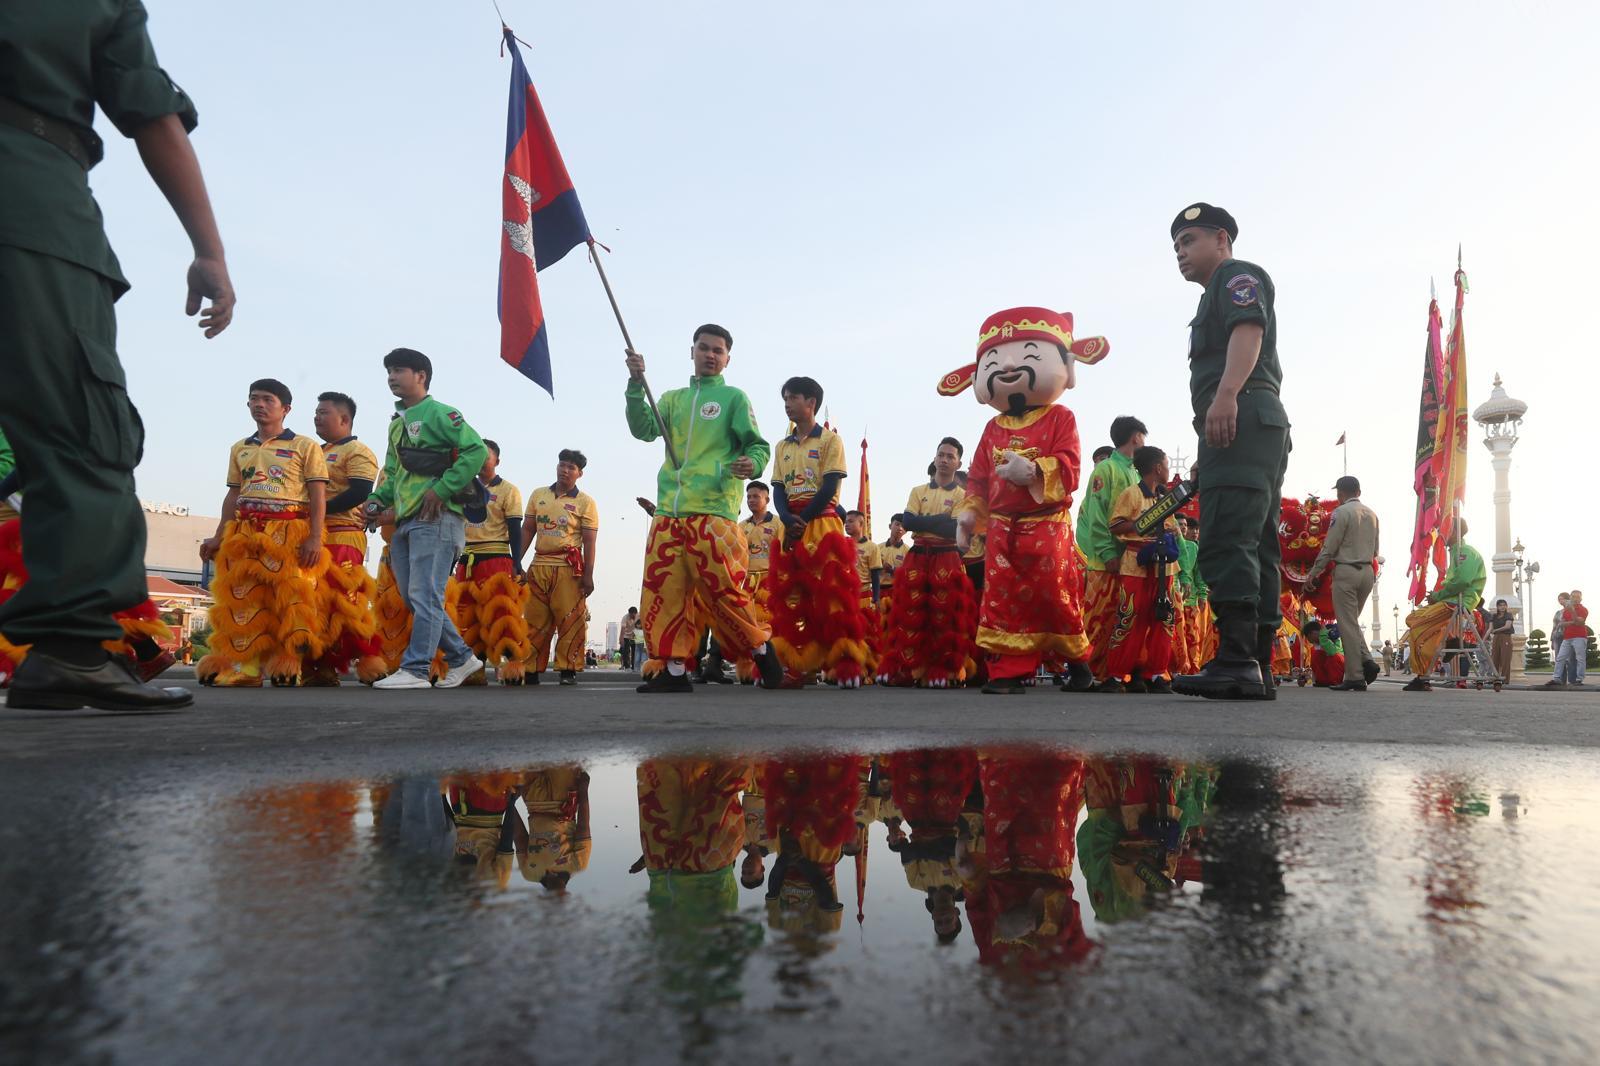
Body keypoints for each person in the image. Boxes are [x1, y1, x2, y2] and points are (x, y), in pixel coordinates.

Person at [1, 2, 235, 711]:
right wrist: (210, 251)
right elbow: (151, 115)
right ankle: (71, 646)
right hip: (28, 195)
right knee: (80, 422)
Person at [945, 305, 1108, 694]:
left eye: (1031, 355)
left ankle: (1077, 661)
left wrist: (1035, 473)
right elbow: (979, 480)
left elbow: (1070, 467)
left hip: (1046, 523)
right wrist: (968, 517)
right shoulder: (992, 426)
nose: (1008, 367)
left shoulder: (1060, 418)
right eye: (995, 360)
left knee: (1054, 595)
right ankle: (1011, 671)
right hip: (1002, 527)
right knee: (1003, 601)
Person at [1168, 203, 1292, 701]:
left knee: (1225, 534)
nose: (1180, 252)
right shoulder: (1211, 295)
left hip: (1241, 411)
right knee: (1256, 539)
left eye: (1188, 240)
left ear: (1221, 238)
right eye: (1176, 246)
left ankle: (1238, 660)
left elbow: (1249, 330)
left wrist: (1225, 396)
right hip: (1249, 422)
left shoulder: (1235, 276)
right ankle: (1256, 664)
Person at [624, 324, 784, 692]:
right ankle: (675, 671)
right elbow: (643, 429)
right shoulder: (671, 398)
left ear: (728, 358)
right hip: (669, 512)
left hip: (714, 512)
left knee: (724, 590)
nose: (710, 355)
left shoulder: (734, 398)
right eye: (704, 348)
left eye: (718, 350)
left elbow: (758, 446)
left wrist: (752, 464)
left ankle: (760, 648)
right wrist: (635, 385)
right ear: (692, 351)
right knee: (666, 591)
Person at [364, 348, 486, 690]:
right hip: (405, 521)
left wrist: (443, 489)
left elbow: (475, 450)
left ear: (421, 376)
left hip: (437, 519)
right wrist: (376, 500)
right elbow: (393, 472)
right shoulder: (396, 424)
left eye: (399, 370)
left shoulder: (441, 413)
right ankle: (463, 659)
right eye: (388, 370)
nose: (391, 376)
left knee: (424, 595)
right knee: (415, 597)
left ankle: (416, 670)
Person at [197, 380, 329, 687]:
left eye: (267, 399)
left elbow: (318, 495)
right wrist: (218, 536)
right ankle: (249, 669)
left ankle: (288, 665)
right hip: (244, 532)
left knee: (290, 600)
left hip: (289, 532)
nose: (259, 404)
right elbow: (233, 496)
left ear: (286, 409)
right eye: (253, 399)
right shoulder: (240, 448)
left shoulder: (305, 446)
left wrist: (314, 537)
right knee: (244, 600)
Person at [768, 377, 876, 687]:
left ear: (811, 402)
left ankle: (845, 665)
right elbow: (777, 487)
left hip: (823, 523)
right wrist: (788, 517)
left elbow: (830, 485)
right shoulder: (782, 445)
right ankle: (797, 666)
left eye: (793, 398)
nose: (787, 404)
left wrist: (804, 517)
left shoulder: (830, 441)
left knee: (833, 597)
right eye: (785, 398)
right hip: (791, 526)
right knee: (792, 598)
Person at [878, 438, 978, 688]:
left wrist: (925, 521)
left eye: (950, 456)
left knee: (945, 613)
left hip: (946, 554)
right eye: (941, 455)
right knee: (910, 611)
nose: (944, 460)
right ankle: (908, 669)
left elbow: (953, 527)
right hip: (919, 553)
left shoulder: (962, 494)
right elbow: (908, 522)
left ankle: (944, 670)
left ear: (958, 463)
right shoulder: (917, 490)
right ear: (934, 458)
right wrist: (938, 519)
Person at [305, 391, 386, 686]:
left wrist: (318, 510)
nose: (316, 416)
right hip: (314, 535)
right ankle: (317, 664)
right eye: (315, 411)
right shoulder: (314, 450)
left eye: (323, 412)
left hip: (343, 535)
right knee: (313, 604)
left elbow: (360, 492)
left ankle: (369, 662)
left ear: (344, 419)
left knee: (344, 603)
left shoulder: (358, 451)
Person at [1101, 446, 1181, 693]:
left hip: (1164, 567)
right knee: (1129, 617)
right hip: (1136, 562)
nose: (1169, 469)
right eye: (1166, 465)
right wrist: (1146, 525)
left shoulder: (1165, 497)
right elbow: (1115, 526)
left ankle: (1157, 674)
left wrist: (1167, 532)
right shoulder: (1131, 494)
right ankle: (1115, 676)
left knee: (1164, 617)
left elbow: (1174, 528)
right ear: (1158, 468)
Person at [452, 440, 531, 685]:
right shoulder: (460, 487)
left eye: (486, 456)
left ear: (497, 460)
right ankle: (473, 670)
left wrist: (517, 562)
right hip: (467, 559)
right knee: (467, 618)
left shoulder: (509, 490)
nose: (481, 459)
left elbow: (515, 528)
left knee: (502, 616)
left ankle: (513, 667)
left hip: (496, 558)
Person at [1076, 416, 1147, 686]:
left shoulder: (1137, 473)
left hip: (1132, 562)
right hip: (1104, 562)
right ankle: (1090, 675)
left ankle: (1117, 673)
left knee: (1125, 618)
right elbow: (1096, 515)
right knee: (1098, 619)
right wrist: (1108, 553)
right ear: (1136, 437)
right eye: (1143, 437)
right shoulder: (1105, 470)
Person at [517, 449, 596, 685]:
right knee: (533, 619)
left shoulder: (586, 502)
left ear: (579, 474)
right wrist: (515, 561)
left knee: (570, 620)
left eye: (571, 467)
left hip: (568, 569)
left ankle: (567, 669)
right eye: (562, 464)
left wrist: (589, 576)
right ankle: (529, 669)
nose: (565, 470)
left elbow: (590, 541)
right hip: (539, 564)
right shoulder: (538, 494)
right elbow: (527, 530)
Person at [1301, 475, 1381, 691]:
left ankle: (1355, 676)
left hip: (1346, 571)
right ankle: (1368, 662)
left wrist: (1314, 573)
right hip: (1367, 571)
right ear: (1359, 492)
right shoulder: (1372, 514)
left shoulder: (1341, 512)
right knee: (1351, 622)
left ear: (1340, 494)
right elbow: (1375, 550)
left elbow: (1330, 547)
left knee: (1347, 624)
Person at [1401, 519, 1485, 692]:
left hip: (1457, 603)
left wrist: (1438, 596)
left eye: (1445, 529)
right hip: (1448, 600)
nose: (1441, 533)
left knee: (1417, 630)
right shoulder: (1456, 552)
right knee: (1412, 618)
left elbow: (1462, 582)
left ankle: (1422, 678)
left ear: (1454, 531)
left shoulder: (1465, 552)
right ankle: (1451, 639)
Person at [735, 481, 778, 682]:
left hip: (770, 580)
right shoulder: (741, 526)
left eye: (756, 496)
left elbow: (785, 554)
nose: (751, 500)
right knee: (747, 625)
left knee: (770, 625)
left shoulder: (779, 524)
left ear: (767, 499)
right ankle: (747, 671)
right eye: (749, 496)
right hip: (747, 581)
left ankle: (771, 669)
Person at [846, 509, 883, 611]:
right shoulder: (842, 543)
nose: (846, 524)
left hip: (863, 594)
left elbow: (875, 575)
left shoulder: (872, 547)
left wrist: (876, 598)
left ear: (861, 523)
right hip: (844, 593)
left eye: (850, 521)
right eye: (846, 522)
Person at [1552, 590, 1588, 688]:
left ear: (1581, 599)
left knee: (1580, 658)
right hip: (1567, 637)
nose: (1575, 599)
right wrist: (1573, 621)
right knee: (1560, 657)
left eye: (1577, 597)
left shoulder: (1583, 609)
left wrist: (1573, 614)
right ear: (1571, 598)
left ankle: (1579, 679)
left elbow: (1580, 622)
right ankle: (1556, 678)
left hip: (1580, 637)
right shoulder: (1566, 611)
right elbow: (1562, 623)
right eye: (1573, 597)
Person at [879, 513, 910, 617]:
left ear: (906, 531)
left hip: (897, 592)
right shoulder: (877, 548)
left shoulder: (908, 551)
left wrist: (892, 569)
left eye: (903, 526)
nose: (900, 528)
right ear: (889, 526)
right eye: (897, 524)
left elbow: (909, 574)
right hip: (879, 590)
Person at [1488, 599, 1515, 682]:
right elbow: (1490, 629)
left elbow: (1507, 626)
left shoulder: (1509, 615)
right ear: (1497, 607)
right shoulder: (1494, 616)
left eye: (1504, 605)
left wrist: (1496, 630)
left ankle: (1505, 679)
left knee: (1505, 658)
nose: (1502, 607)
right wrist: (1482, 640)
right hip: (1496, 638)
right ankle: (1495, 678)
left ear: (1506, 606)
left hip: (1506, 637)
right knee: (1495, 657)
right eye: (1500, 605)